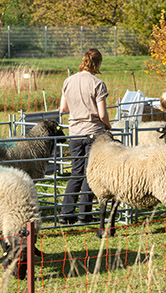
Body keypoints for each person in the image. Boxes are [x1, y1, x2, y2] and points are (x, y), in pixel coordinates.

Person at [58, 48, 111, 225]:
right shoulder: (98, 83)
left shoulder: (68, 81)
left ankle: (66, 214)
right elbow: (102, 114)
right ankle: (84, 215)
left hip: (74, 132)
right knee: (90, 174)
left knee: (76, 172)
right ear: (97, 63)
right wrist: (108, 126)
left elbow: (63, 109)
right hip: (93, 132)